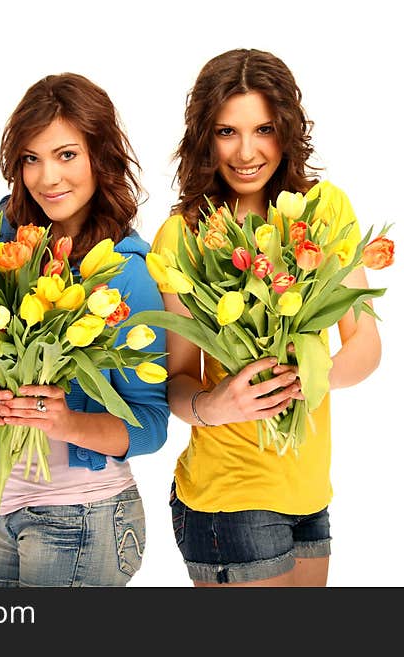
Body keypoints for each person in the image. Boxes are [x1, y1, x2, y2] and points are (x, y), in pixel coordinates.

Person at [0, 73, 169, 587]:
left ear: (99, 159)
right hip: (7, 510)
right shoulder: (9, 236)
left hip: (84, 516)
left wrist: (66, 423)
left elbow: (151, 423)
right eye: (31, 159)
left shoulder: (127, 273)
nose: (47, 178)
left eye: (66, 155)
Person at [151, 49, 382, 587]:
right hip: (228, 495)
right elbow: (177, 382)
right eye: (227, 131)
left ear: (288, 130)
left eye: (265, 129)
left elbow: (365, 342)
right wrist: (215, 403)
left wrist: (314, 376)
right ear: (204, 137)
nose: (247, 152)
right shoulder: (184, 234)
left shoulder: (323, 210)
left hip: (309, 493)